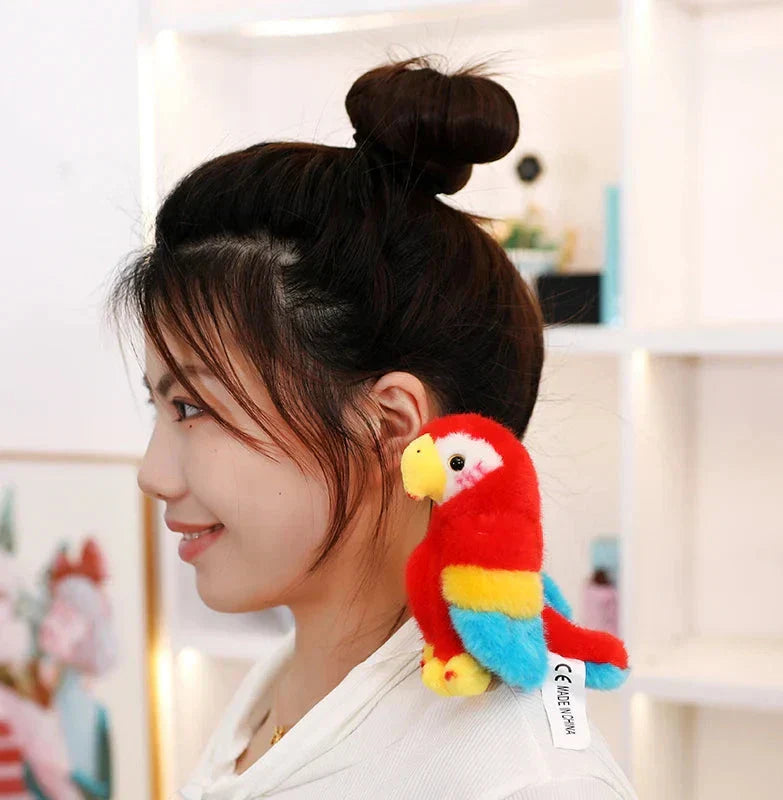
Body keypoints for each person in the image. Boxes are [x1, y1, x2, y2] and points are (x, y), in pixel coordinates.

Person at [106, 53, 638, 799]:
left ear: (390, 425)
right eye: (159, 407)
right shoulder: (287, 677)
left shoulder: (523, 782)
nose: (152, 473)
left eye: (193, 408)